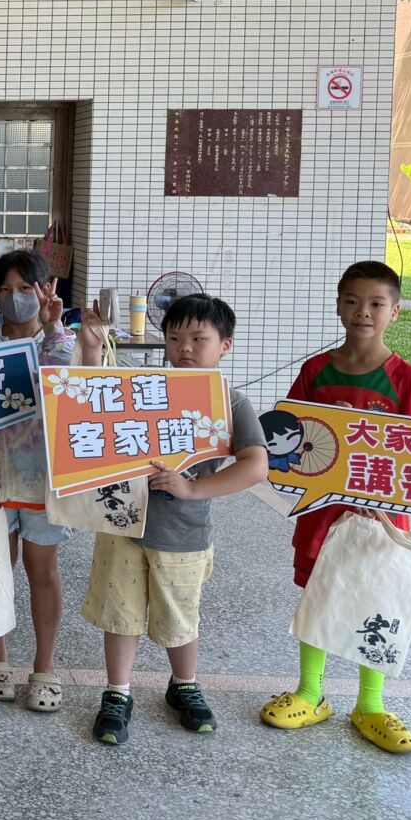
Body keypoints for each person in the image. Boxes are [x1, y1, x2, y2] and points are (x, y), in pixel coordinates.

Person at [259, 261, 411, 755]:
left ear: (395, 312)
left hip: (381, 520)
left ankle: (371, 705)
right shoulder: (315, 371)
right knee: (319, 595)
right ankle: (311, 693)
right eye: (353, 301)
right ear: (339, 305)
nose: (364, 312)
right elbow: (287, 439)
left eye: (377, 303)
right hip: (323, 515)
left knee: (378, 602)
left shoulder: (407, 380)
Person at [80, 294, 268, 746]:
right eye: (175, 337)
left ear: (226, 345)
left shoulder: (231, 402)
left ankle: (184, 683)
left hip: (184, 534)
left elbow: (256, 465)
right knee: (120, 614)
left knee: (180, 615)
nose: (185, 347)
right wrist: (90, 349)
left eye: (199, 339)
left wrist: (193, 488)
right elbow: (87, 401)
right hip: (123, 524)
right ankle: (117, 691)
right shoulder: (144, 388)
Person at [0, 249, 82, 710]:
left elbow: (60, 386)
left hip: (42, 478)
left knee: (42, 570)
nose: (14, 297)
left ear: (44, 289)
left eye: (24, 288)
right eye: (4, 289)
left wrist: (54, 327)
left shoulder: (60, 341)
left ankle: (45, 667)